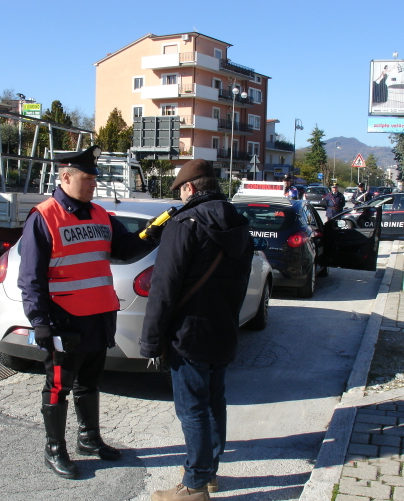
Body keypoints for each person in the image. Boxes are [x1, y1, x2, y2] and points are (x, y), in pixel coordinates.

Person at [18, 145, 153, 479]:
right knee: (58, 385)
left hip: (99, 317)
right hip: (64, 321)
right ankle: (54, 450)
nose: (94, 184)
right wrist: (40, 322)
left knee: (90, 382)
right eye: (88, 178)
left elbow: (126, 248)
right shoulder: (44, 217)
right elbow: (30, 278)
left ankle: (89, 440)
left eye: (95, 178)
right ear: (66, 177)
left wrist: (156, 230)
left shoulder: (101, 215)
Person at [140, 159, 253, 501]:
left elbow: (164, 287)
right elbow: (242, 283)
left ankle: (195, 486)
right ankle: (208, 471)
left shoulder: (184, 223)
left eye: (182, 189)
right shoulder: (239, 224)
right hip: (224, 330)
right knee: (214, 402)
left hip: (188, 334)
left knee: (191, 409)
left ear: (189, 189)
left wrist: (150, 342)